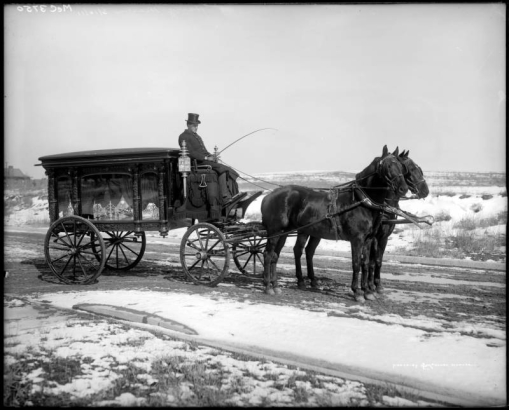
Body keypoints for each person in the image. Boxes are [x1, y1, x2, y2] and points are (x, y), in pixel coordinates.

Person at [178, 113, 240, 203]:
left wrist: (212, 156)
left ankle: (234, 194)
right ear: (188, 125)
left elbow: (204, 151)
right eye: (194, 125)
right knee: (222, 169)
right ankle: (224, 196)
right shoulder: (183, 137)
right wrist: (206, 158)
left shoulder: (197, 136)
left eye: (197, 125)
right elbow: (191, 153)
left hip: (205, 160)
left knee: (229, 170)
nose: (196, 127)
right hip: (198, 163)